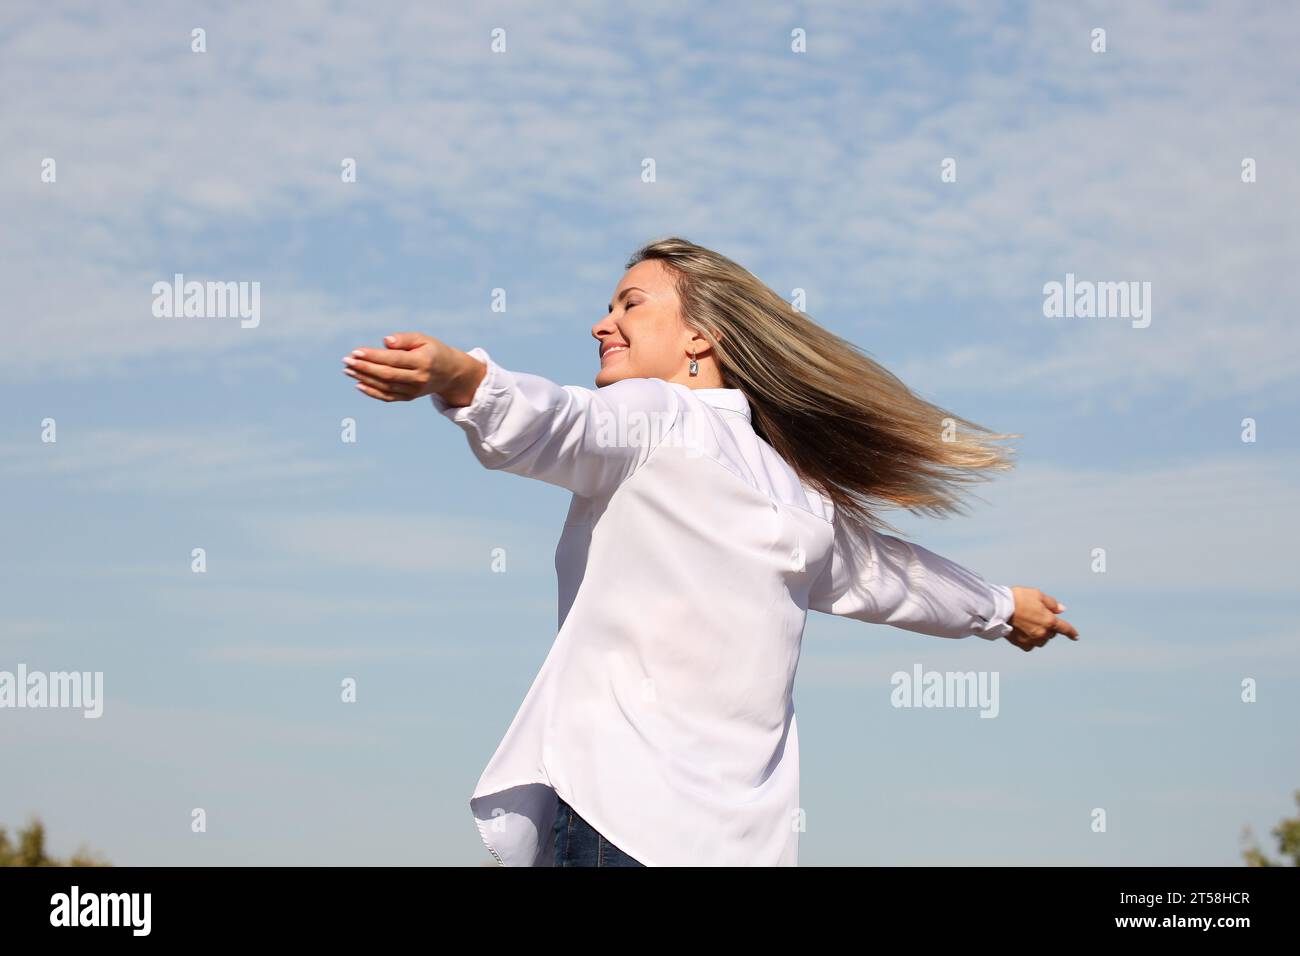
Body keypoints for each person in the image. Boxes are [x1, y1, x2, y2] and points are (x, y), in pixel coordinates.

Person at [341, 236, 1079, 867]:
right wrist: (1000, 606)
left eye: (631, 304)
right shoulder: (797, 496)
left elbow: (561, 424)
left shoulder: (657, 416)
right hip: (734, 843)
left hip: (617, 816)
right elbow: (890, 575)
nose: (602, 324)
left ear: (701, 337)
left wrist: (467, 379)